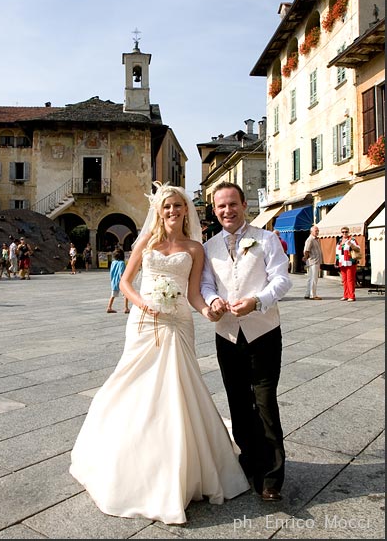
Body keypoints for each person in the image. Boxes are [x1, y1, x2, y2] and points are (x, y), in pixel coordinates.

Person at [69, 182, 249, 525]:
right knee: (132, 382)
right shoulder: (147, 242)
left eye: (177, 207)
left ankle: (179, 465)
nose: (172, 212)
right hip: (144, 320)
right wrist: (142, 304)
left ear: (185, 211)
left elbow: (195, 293)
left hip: (178, 322)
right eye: (166, 207)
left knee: (178, 389)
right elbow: (126, 282)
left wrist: (209, 310)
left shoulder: (195, 249)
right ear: (159, 211)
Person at [200, 181, 292, 503]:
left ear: (244, 205)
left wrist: (258, 300)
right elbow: (206, 284)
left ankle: (271, 477)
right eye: (221, 206)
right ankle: (249, 464)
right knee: (238, 403)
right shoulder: (209, 246)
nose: (228, 210)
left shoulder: (266, 239)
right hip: (226, 335)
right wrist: (212, 302)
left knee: (265, 402)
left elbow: (282, 278)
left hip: (264, 331)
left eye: (233, 204)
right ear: (215, 210)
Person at [335, 227, 361, 301]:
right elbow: (337, 252)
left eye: (346, 232)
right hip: (342, 262)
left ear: (348, 232)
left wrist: (351, 245)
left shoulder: (352, 240)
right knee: (344, 280)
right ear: (341, 233)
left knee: (350, 279)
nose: (344, 233)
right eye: (343, 232)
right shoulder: (339, 240)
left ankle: (351, 296)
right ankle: (345, 295)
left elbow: (358, 249)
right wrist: (336, 262)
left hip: (350, 262)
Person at [302, 225, 324, 300]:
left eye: (318, 231)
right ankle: (313, 295)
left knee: (310, 278)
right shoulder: (310, 239)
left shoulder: (315, 239)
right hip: (313, 261)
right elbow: (306, 250)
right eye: (316, 231)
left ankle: (307, 294)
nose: (317, 232)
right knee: (314, 279)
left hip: (316, 260)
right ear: (311, 232)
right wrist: (305, 257)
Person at [106, 248, 130, 313]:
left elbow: (111, 272)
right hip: (120, 281)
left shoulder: (113, 262)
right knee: (125, 294)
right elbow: (121, 273)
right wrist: (123, 282)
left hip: (114, 280)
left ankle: (109, 307)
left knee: (113, 295)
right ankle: (126, 308)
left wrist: (112, 279)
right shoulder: (122, 263)